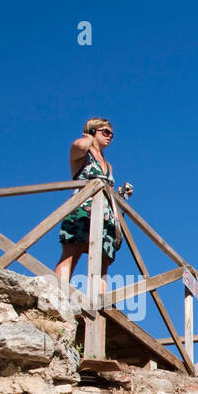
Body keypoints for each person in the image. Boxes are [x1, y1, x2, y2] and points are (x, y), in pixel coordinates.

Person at [55, 117, 129, 286]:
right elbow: (79, 146)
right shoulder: (83, 154)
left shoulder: (108, 165)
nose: (110, 136)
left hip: (105, 216)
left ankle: (99, 304)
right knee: (72, 251)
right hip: (82, 210)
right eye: (105, 132)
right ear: (92, 131)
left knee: (103, 261)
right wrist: (88, 137)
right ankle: (57, 293)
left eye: (111, 134)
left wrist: (120, 194)